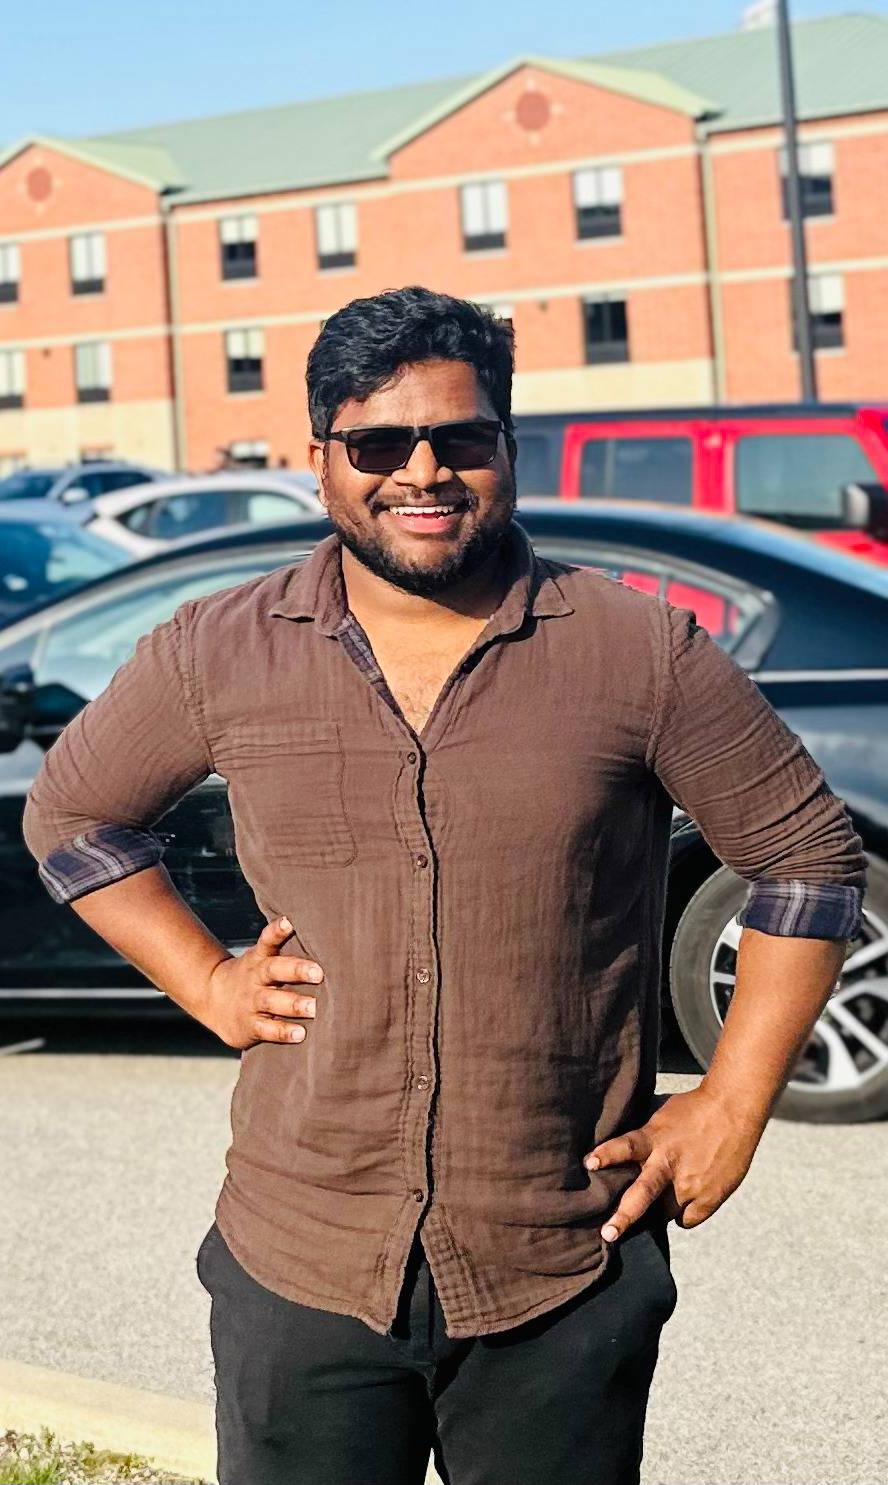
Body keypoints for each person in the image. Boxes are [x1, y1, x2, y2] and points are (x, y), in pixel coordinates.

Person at [22, 286, 866, 1485]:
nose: (424, 472)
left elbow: (808, 860)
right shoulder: (217, 648)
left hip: (562, 1268)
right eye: (378, 443)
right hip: (299, 1262)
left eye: (462, 439)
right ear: (321, 460)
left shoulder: (636, 651)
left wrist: (733, 1103)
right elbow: (72, 813)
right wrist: (205, 979)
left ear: (505, 449)